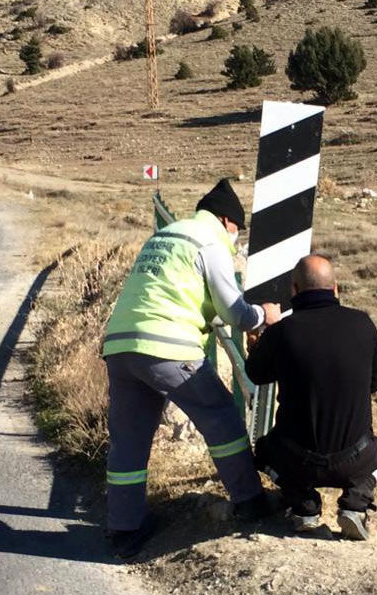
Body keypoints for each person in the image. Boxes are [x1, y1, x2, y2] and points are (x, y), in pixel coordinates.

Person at [101, 178, 281, 558]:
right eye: (236, 231)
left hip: (119, 345)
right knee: (221, 418)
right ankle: (250, 502)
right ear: (225, 220)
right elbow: (235, 310)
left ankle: (124, 528)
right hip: (167, 344)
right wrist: (261, 317)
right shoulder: (210, 240)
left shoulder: (166, 235)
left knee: (129, 441)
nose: (235, 239)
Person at [245, 254, 377, 540]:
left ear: (294, 291)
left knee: (263, 453)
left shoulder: (282, 332)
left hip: (296, 460)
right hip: (355, 458)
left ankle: (304, 507)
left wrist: (259, 345)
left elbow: (257, 375)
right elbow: (373, 384)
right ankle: (356, 504)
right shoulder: (363, 324)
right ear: (335, 289)